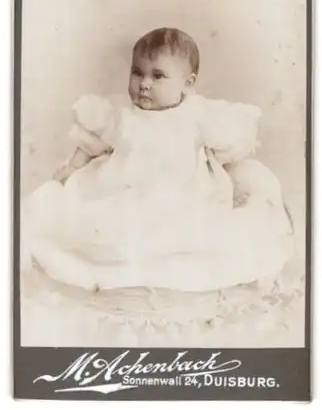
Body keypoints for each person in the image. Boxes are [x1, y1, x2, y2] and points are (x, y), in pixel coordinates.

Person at [21, 27, 294, 294]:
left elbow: (230, 144)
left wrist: (223, 167)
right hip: (122, 188)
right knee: (100, 228)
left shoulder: (196, 115)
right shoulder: (122, 114)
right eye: (137, 72)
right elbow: (93, 142)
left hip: (179, 193)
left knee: (184, 234)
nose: (144, 83)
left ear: (187, 84)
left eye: (158, 76)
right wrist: (73, 166)